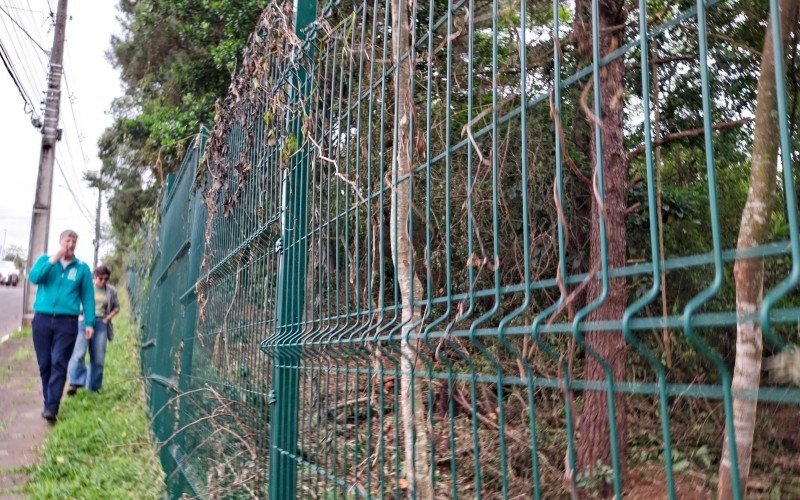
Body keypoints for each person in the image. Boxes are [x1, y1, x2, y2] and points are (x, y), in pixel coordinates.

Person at [28, 229, 95, 423]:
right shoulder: (45, 261)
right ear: (60, 242)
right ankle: (48, 400)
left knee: (59, 361)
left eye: (74, 241)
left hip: (67, 322)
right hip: (42, 319)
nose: (71, 244)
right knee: (45, 363)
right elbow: (34, 277)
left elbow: (88, 297)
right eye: (68, 240)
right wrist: (55, 258)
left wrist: (89, 322)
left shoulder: (81, 268)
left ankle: (52, 407)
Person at [67, 265, 120, 395]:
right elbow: (72, 301)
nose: (102, 281)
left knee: (98, 357)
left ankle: (94, 387)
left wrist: (107, 319)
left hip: (101, 322)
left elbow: (116, 307)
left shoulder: (111, 291)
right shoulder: (85, 287)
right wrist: (78, 316)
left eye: (106, 279)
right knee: (79, 352)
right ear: (94, 277)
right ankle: (75, 383)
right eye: (100, 278)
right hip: (84, 321)